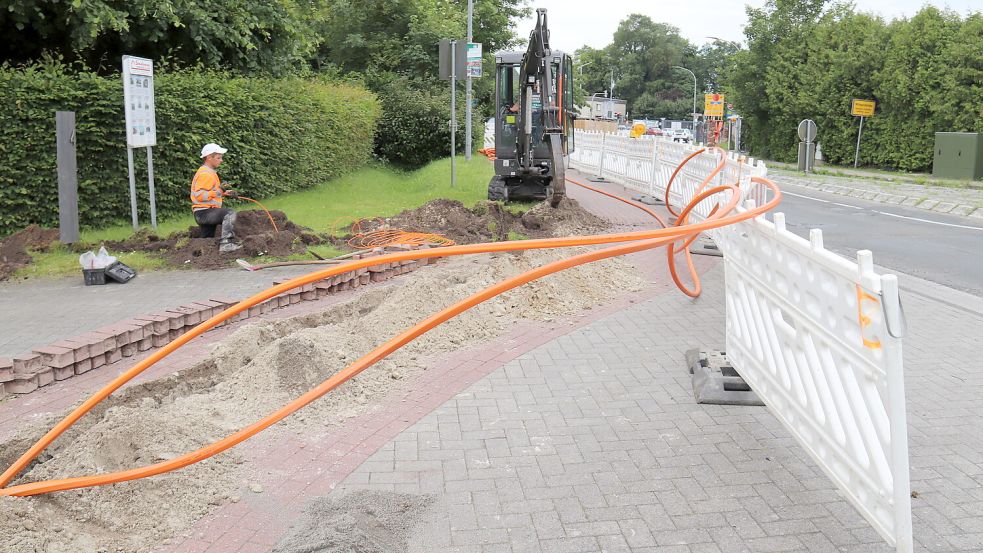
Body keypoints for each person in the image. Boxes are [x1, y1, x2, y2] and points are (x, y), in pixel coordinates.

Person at [190, 143, 241, 253]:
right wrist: (219, 191)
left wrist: (225, 192)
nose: (221, 160)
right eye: (218, 157)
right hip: (204, 213)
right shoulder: (206, 174)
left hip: (204, 212)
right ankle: (227, 244)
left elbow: (211, 192)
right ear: (209, 158)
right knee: (229, 213)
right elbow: (199, 195)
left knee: (206, 242)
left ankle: (199, 257)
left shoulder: (209, 172)